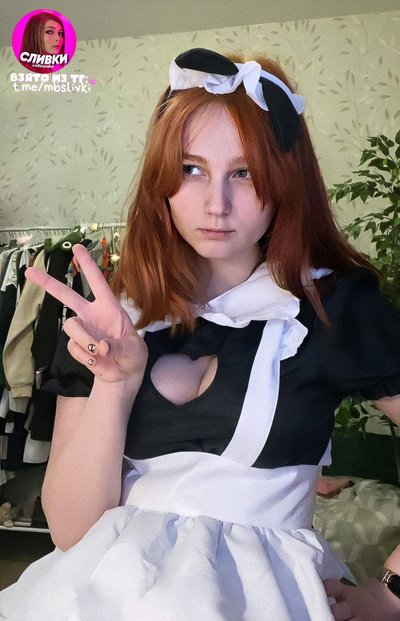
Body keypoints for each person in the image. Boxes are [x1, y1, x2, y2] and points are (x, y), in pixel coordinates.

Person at [0, 48, 399, 620]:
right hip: (100, 594)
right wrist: (115, 383)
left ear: (284, 180)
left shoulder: (332, 307)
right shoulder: (116, 315)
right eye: (191, 169)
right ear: (162, 180)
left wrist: (389, 593)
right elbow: (72, 532)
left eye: (245, 173)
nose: (217, 204)